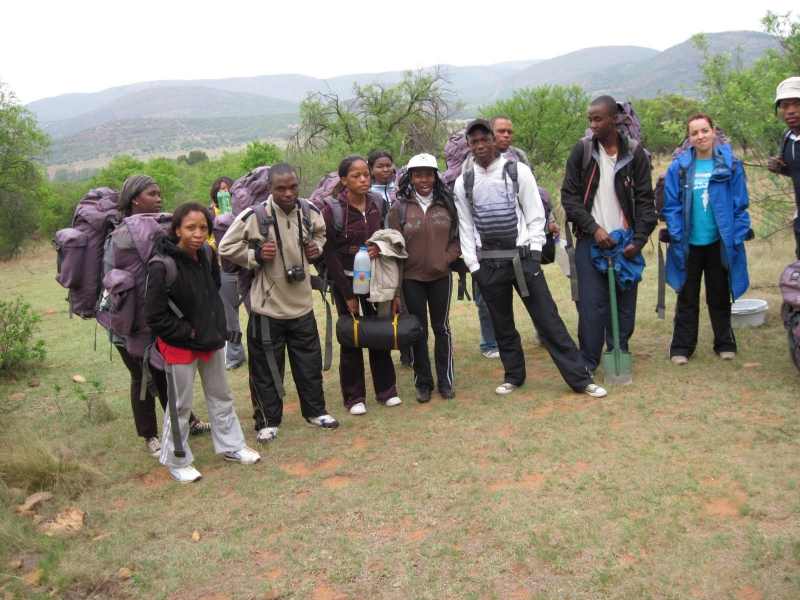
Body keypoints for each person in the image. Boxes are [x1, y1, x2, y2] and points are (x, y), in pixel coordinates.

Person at [455, 119, 607, 398]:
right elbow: (465, 225)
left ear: (492, 140)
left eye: (484, 139)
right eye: (474, 141)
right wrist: (474, 267)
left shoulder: (517, 171)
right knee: (502, 325)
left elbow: (535, 213)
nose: (480, 145)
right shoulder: (464, 181)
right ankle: (514, 376)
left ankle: (580, 379)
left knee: (549, 320)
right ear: (468, 145)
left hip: (523, 259)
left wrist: (535, 252)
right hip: (489, 264)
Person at [219, 163, 339, 443]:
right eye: (281, 188)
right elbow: (226, 246)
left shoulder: (309, 210)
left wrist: (316, 248)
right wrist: (256, 254)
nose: (288, 193)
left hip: (302, 305)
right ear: (269, 188)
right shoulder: (255, 215)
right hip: (266, 309)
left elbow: (321, 234)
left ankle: (315, 412)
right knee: (266, 369)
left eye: (293, 186)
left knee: (309, 364)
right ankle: (267, 422)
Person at [145, 202, 260, 483]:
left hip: (211, 340)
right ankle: (177, 460)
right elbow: (155, 316)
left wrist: (209, 327)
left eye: (203, 228)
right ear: (177, 230)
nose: (198, 234)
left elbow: (212, 289)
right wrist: (189, 331)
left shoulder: (207, 254)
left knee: (221, 395)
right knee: (179, 406)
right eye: (190, 228)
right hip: (179, 346)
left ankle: (232, 446)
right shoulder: (162, 265)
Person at [111, 175, 209, 458]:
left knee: (166, 371)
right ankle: (150, 435)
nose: (159, 199)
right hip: (127, 319)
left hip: (157, 315)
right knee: (141, 375)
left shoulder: (158, 228)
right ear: (134, 198)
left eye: (159, 194)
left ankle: (186, 422)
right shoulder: (120, 235)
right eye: (152, 194)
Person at [561, 96, 657, 374]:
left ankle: (618, 353)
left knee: (625, 304)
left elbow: (646, 202)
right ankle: (589, 363)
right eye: (590, 119)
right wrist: (594, 228)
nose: (592, 125)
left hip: (625, 241)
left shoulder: (635, 154)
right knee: (591, 305)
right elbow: (569, 197)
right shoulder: (582, 150)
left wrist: (639, 241)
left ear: (614, 119)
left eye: (598, 119)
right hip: (591, 239)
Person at [662, 114, 750, 364]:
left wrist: (736, 236)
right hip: (689, 243)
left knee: (719, 294)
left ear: (713, 132)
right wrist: (677, 236)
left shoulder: (731, 165)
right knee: (687, 296)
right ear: (689, 137)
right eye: (694, 133)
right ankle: (682, 348)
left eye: (704, 131)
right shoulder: (679, 168)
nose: (700, 137)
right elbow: (671, 206)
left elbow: (740, 205)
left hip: (718, 243)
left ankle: (724, 343)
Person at [472, 115, 561, 358]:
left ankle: (544, 335)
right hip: (487, 251)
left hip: (521, 247)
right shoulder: (471, 164)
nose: (506, 135)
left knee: (536, 297)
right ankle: (490, 343)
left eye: (509, 131)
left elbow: (533, 194)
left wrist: (550, 219)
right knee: (487, 302)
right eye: (501, 131)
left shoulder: (518, 158)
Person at [322, 154, 401, 415]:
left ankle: (386, 391)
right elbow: (330, 255)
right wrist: (347, 295)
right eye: (356, 176)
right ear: (344, 180)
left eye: (366, 174)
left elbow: (390, 238)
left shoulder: (378, 203)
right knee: (351, 337)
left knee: (379, 332)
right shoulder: (332, 209)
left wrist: (381, 248)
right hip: (346, 283)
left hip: (376, 281)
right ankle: (354, 397)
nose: (363, 180)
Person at [388, 153, 460, 403]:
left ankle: (445, 382)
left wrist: (447, 258)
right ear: (410, 178)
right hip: (411, 279)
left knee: (442, 328)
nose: (424, 179)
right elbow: (394, 251)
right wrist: (396, 290)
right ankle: (424, 383)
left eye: (429, 174)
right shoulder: (399, 208)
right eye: (418, 175)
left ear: (436, 176)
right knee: (418, 331)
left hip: (441, 276)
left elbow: (459, 237)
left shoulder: (447, 204)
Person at [208, 176, 246, 371]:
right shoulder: (209, 214)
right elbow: (206, 240)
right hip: (223, 268)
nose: (223, 192)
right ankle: (235, 356)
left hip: (245, 267)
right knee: (230, 317)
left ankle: (263, 348)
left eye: (227, 189)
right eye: (220, 189)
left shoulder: (242, 211)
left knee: (256, 310)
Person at [767, 77, 800, 259]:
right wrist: (780, 169)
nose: (790, 110)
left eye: (797, 104)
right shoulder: (788, 137)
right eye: (784, 105)